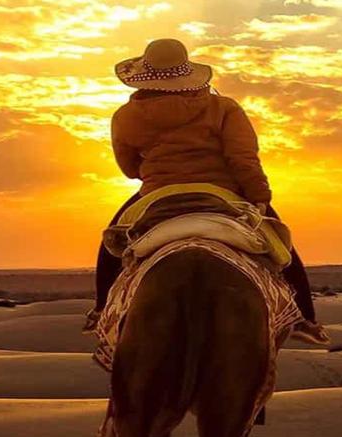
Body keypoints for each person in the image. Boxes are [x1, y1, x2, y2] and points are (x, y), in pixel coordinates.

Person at [89, 38, 317, 329]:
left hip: (157, 192)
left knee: (110, 248)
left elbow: (130, 169)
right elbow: (243, 160)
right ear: (187, 71)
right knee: (283, 248)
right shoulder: (224, 108)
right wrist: (260, 196)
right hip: (223, 192)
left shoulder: (124, 116)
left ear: (145, 74)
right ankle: (305, 318)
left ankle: (101, 311)